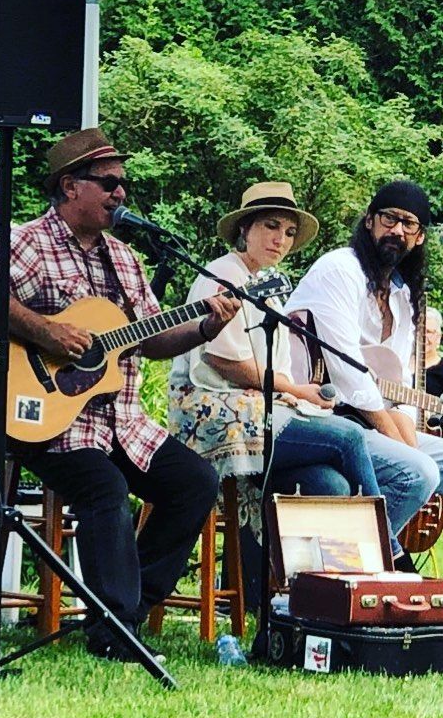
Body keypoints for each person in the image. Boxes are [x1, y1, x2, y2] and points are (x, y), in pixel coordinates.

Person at [0, 128, 240, 662]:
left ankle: (123, 614)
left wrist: (206, 326)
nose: (120, 193)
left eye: (122, 184)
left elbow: (151, 340)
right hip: (49, 420)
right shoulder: (30, 242)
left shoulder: (125, 259)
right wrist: (46, 332)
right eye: (108, 183)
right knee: (105, 488)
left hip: (123, 423)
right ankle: (114, 629)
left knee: (194, 482)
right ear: (71, 186)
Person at [167, 182, 401, 562]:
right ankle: (388, 555)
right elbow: (223, 360)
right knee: (349, 437)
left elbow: (274, 370)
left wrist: (300, 394)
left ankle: (310, 586)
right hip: (211, 411)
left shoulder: (268, 286)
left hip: (257, 411)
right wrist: (294, 390)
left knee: (330, 483)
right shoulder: (223, 273)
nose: (281, 240)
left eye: (290, 232)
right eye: (271, 226)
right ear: (245, 228)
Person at [284, 181, 442, 563]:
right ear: (370, 220)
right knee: (417, 472)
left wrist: (405, 431)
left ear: (420, 237)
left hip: (369, 421)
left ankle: (358, 562)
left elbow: (400, 384)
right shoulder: (339, 269)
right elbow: (348, 371)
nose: (397, 230)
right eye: (389, 219)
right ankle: (371, 564)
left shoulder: (403, 296)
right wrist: (398, 440)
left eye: (408, 224)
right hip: (321, 415)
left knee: (425, 460)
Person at [424, 307, 443, 399]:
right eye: (419, 330)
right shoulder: (402, 362)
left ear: (438, 337)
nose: (423, 336)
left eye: (428, 332)